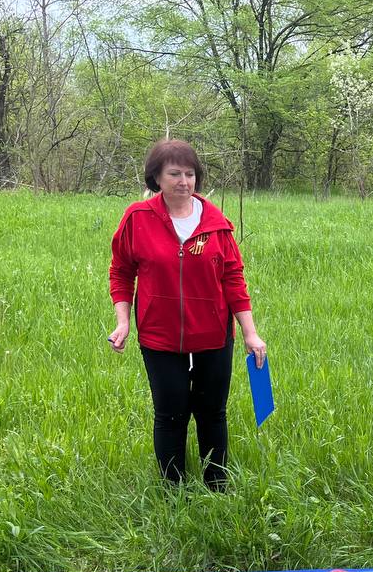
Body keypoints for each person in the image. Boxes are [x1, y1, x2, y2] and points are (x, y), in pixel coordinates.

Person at [107, 139, 266, 489]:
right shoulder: (137, 218)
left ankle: (216, 486)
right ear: (156, 178)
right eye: (175, 174)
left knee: (212, 414)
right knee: (170, 414)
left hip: (213, 335)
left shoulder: (216, 223)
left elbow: (233, 279)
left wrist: (250, 332)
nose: (184, 181)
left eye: (190, 174)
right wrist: (123, 322)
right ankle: (173, 490)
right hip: (159, 337)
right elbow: (121, 271)